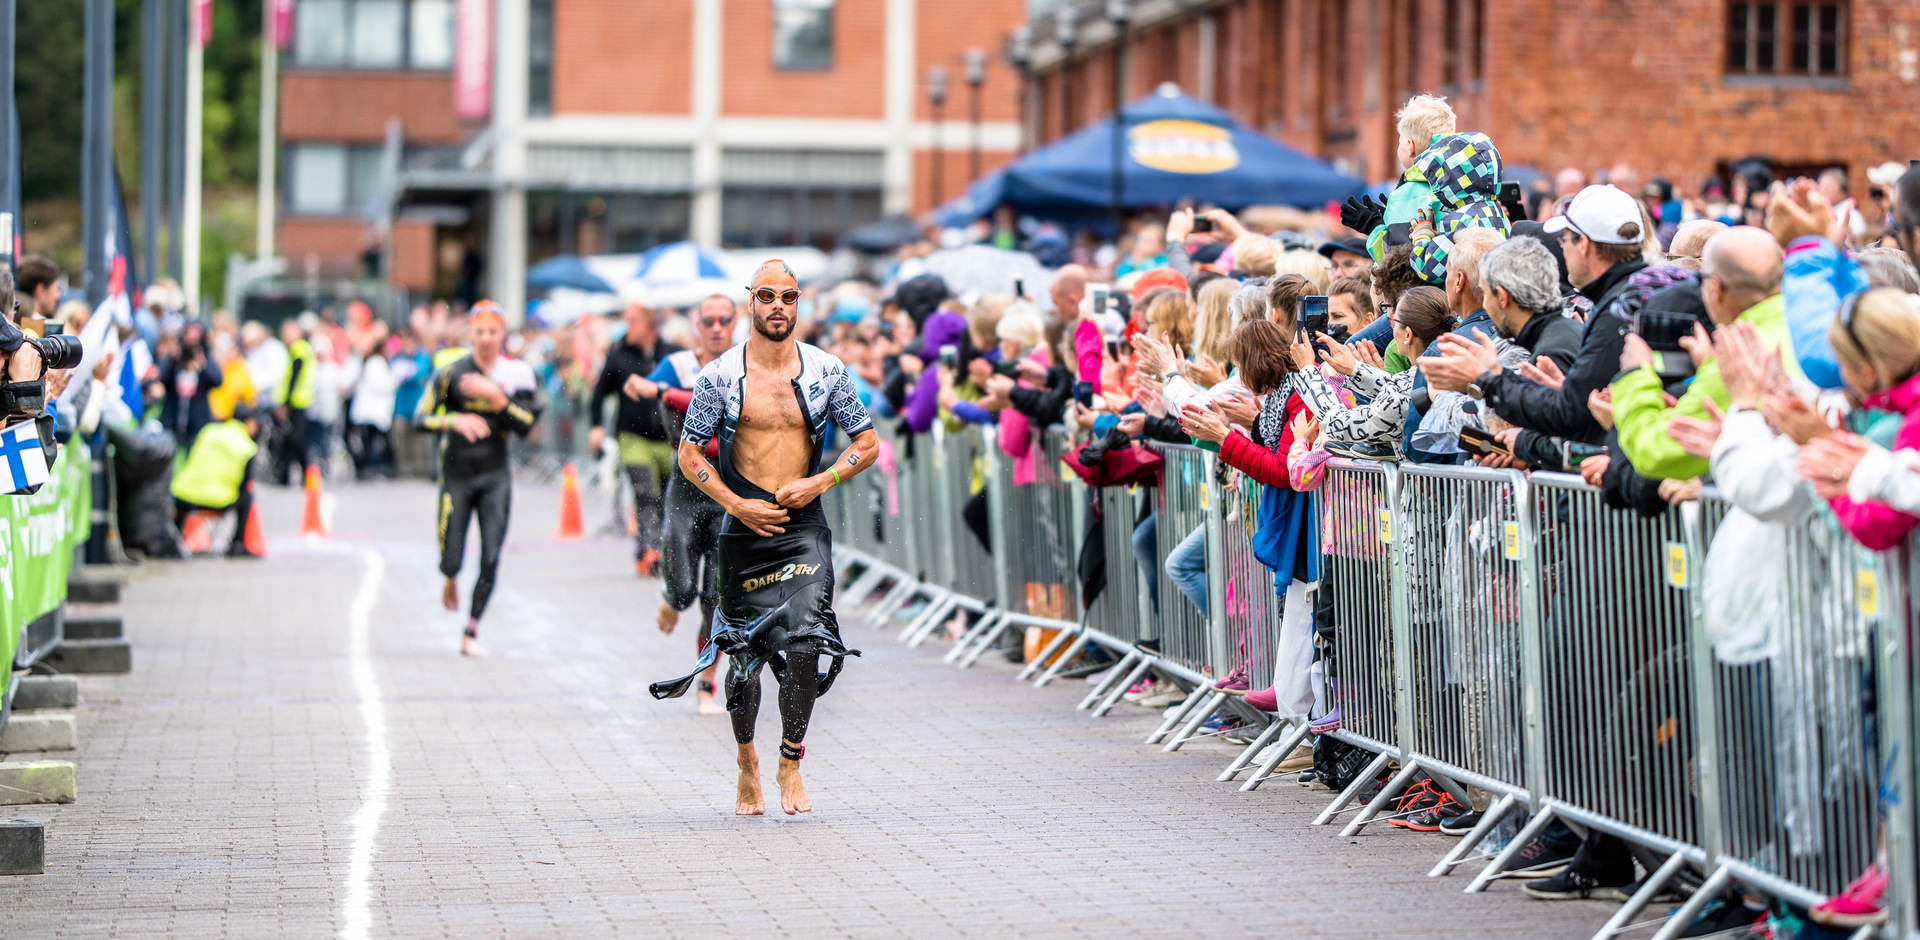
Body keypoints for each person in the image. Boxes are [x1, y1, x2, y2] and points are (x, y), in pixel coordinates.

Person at [649, 260, 880, 817]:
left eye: (789, 296)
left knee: (804, 647)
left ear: (799, 304)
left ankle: (790, 762)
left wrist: (821, 480)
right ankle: (747, 763)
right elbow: (687, 453)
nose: (778, 306)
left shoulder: (827, 371)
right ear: (751, 301)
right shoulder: (721, 376)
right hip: (742, 528)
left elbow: (867, 443)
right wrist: (735, 503)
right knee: (744, 659)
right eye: (768, 295)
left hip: (803, 525)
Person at [1611, 226, 1798, 481]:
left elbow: (1654, 451)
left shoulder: (1738, 355)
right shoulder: (1808, 329)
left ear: (1715, 288)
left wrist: (1635, 375)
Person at [630, 293, 739, 716]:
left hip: (727, 491)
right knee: (683, 588)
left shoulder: (745, 364)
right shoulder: (676, 364)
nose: (716, 327)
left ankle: (706, 684)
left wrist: (663, 391)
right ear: (698, 325)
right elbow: (657, 396)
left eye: (724, 320)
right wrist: (661, 390)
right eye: (708, 320)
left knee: (716, 595)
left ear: (735, 323)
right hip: (687, 487)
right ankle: (671, 599)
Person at [419, 302, 541, 657]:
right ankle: (450, 577)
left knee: (491, 555)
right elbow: (419, 418)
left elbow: (526, 423)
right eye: (480, 332)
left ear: (503, 334)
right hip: (456, 476)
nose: (486, 338)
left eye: (493, 332)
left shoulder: (517, 373)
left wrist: (495, 397)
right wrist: (452, 421)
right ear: (470, 335)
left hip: (495, 477)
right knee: (452, 558)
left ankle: (471, 630)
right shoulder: (451, 372)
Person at [589, 302, 681, 576]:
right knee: (645, 493)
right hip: (632, 437)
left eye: (633, 323)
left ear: (650, 325)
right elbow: (598, 394)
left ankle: (657, 550)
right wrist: (596, 426)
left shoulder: (671, 355)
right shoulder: (619, 356)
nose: (627, 329)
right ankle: (650, 551)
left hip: (667, 439)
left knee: (668, 496)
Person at [169, 405, 263, 557]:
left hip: (183, 498)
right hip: (217, 502)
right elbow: (246, 482)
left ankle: (172, 544)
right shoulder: (247, 445)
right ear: (249, 422)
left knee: (179, 503)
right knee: (247, 495)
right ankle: (238, 544)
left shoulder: (209, 431)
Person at [274, 318, 317, 484]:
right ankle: (287, 475)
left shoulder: (298, 349)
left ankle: (306, 473)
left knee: (296, 440)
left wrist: (285, 402)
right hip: (298, 401)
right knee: (290, 440)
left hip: (298, 402)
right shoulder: (297, 349)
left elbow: (294, 377)